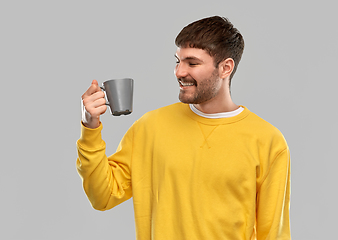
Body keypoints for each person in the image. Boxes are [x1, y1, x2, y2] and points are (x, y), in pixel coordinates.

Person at [77, 16, 291, 240]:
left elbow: (274, 234)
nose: (179, 72)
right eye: (177, 61)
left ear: (225, 67)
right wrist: (90, 127)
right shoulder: (150, 128)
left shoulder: (268, 141)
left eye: (192, 63)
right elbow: (102, 196)